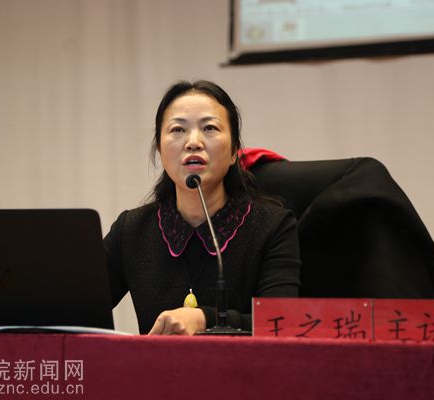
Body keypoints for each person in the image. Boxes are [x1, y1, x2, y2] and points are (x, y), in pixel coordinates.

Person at [103, 80, 301, 335]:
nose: (193, 142)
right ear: (160, 150)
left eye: (209, 128)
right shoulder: (132, 230)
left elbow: (283, 323)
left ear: (234, 152)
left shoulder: (272, 226)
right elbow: (76, 308)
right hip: (155, 363)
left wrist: (205, 319)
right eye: (178, 129)